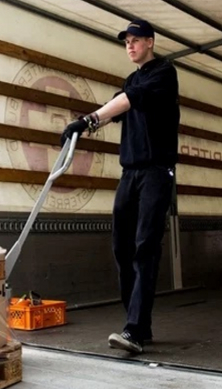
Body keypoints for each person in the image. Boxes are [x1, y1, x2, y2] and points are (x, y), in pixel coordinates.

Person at [61, 19, 179, 354]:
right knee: (122, 247)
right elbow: (115, 109)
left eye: (136, 40)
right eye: (126, 41)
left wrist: (88, 120)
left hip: (157, 171)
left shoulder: (164, 73)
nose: (130, 45)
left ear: (151, 42)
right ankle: (139, 322)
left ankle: (135, 331)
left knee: (145, 246)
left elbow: (127, 101)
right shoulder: (131, 79)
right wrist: (82, 127)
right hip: (130, 174)